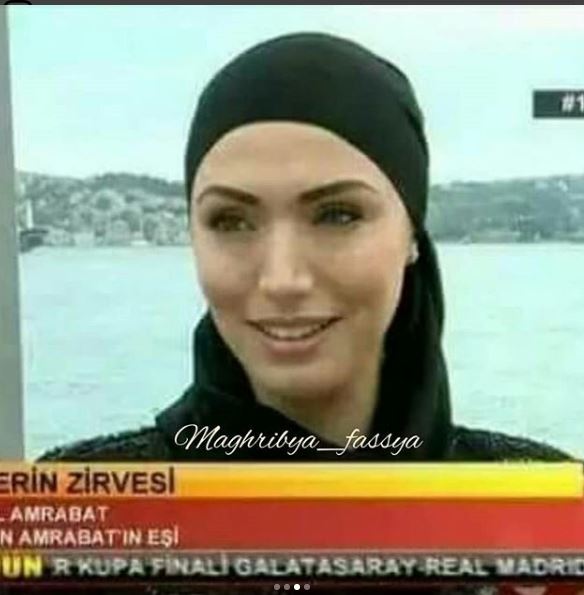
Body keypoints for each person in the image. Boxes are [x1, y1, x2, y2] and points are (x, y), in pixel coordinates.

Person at [40, 33, 568, 464]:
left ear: (412, 234)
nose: (283, 279)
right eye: (231, 221)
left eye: (338, 215)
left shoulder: (550, 509)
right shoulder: (81, 518)